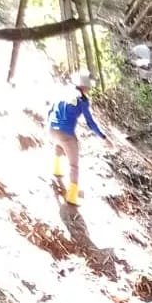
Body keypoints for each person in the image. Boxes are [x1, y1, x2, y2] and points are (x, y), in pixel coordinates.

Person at [47, 69, 108, 205]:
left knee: (59, 143)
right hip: (66, 134)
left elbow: (51, 109)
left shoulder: (63, 90)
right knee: (74, 165)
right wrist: (103, 137)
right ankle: (72, 196)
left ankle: (56, 170)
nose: (89, 88)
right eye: (89, 86)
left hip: (51, 129)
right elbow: (90, 123)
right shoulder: (82, 101)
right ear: (84, 86)